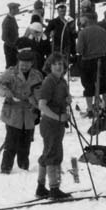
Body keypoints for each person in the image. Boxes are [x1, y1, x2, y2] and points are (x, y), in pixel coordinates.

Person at [0, 48, 43, 174]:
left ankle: (23, 167)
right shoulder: (11, 73)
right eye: (22, 63)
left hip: (29, 114)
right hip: (13, 114)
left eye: (27, 63)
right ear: (18, 62)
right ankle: (5, 169)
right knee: (11, 143)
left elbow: (41, 93)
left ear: (32, 63)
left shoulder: (37, 75)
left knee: (26, 144)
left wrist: (36, 103)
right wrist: (6, 92)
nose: (24, 66)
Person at [36, 52, 73, 199]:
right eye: (55, 64)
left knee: (49, 152)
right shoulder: (49, 81)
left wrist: (68, 99)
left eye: (61, 64)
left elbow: (61, 99)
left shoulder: (61, 81)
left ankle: (40, 187)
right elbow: (42, 105)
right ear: (50, 66)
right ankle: (54, 188)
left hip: (58, 123)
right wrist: (58, 117)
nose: (59, 66)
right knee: (53, 154)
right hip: (50, 123)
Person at [75, 12, 106, 115]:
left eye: (82, 19)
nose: (81, 22)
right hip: (102, 60)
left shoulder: (82, 33)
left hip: (88, 62)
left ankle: (90, 109)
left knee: (88, 85)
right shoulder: (102, 30)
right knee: (105, 85)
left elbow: (79, 50)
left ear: (87, 20)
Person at [2, 2, 21, 68]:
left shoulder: (13, 18)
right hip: (9, 48)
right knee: (10, 66)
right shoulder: (7, 21)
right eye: (16, 9)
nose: (18, 10)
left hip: (14, 47)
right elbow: (4, 37)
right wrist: (12, 46)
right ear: (12, 9)